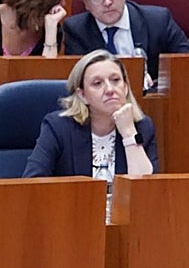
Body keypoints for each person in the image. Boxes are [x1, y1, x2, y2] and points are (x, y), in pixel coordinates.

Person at [22, 49, 158, 178]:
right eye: (97, 83)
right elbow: (33, 182)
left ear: (126, 88)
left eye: (115, 80)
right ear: (82, 95)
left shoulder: (142, 127)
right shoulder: (58, 128)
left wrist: (129, 134)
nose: (110, 89)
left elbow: (145, 190)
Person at [64, 0, 189, 85]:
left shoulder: (158, 20)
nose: (108, 2)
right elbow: (77, 81)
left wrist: (159, 82)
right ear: (86, 2)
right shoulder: (76, 30)